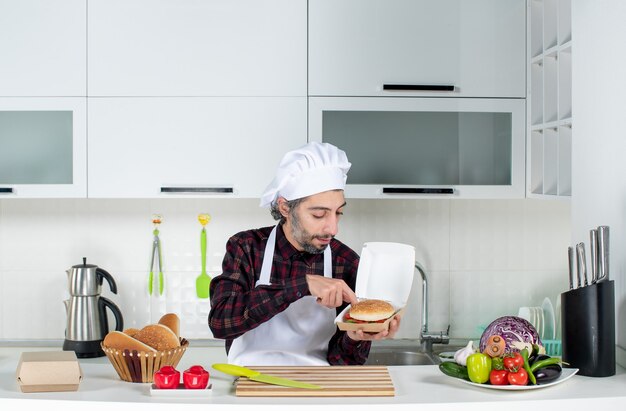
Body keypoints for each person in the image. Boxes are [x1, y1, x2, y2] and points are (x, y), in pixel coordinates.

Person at [208, 142, 401, 366]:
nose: (333, 228)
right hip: (251, 383)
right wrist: (302, 285)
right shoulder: (247, 247)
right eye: (319, 214)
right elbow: (220, 323)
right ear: (285, 208)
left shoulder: (345, 262)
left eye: (338, 213)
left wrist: (353, 338)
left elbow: (343, 362)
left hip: (317, 387)